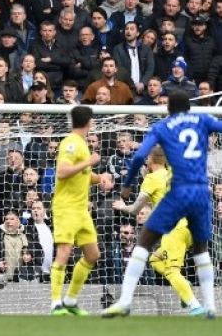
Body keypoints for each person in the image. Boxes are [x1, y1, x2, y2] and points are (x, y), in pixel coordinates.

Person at [103, 91, 221, 318]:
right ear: (189, 107)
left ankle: (126, 301)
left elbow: (138, 157)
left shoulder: (163, 126)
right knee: (201, 249)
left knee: (144, 242)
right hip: (201, 192)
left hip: (179, 191)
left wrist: (127, 185)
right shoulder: (203, 119)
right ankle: (211, 306)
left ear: (168, 108)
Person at [112, 146, 206, 315]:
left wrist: (122, 206)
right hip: (190, 227)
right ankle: (185, 286)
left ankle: (194, 305)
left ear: (151, 159)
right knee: (155, 260)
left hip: (174, 230)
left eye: (147, 157)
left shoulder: (152, 178)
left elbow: (135, 209)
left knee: (171, 270)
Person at [50, 106, 102, 316]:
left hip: (81, 210)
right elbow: (62, 172)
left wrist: (100, 179)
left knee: (92, 254)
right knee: (64, 252)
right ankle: (55, 303)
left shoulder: (81, 144)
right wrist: (89, 161)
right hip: (66, 208)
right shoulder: (71, 143)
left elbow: (81, 174)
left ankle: (71, 300)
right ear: (89, 122)